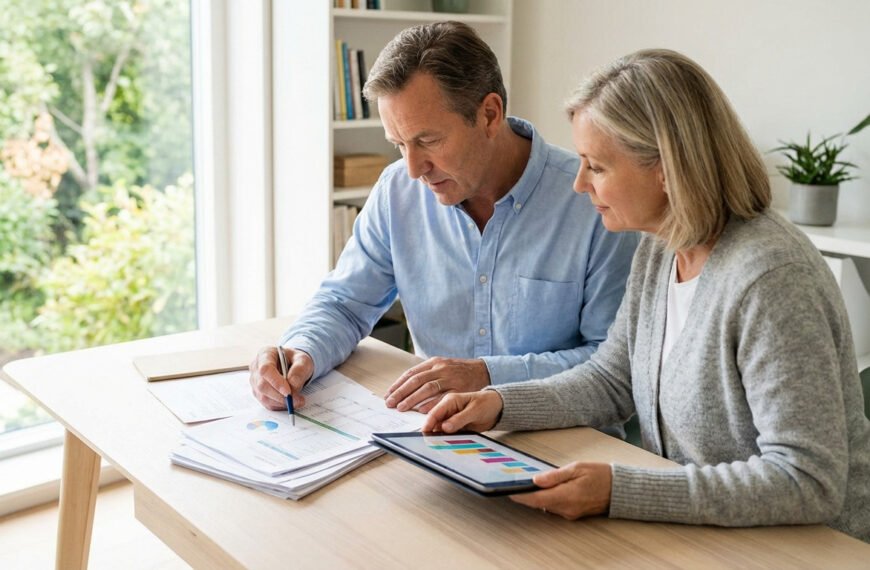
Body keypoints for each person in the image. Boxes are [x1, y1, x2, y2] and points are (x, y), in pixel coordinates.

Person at [423, 48, 870, 542]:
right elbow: (613, 378)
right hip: (716, 534)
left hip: (814, 548)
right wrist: (499, 405)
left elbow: (807, 480)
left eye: (596, 166)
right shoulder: (662, 246)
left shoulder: (771, 278)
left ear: (665, 167)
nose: (578, 183)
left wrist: (620, 491)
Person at [249, 22, 637, 415]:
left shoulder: (593, 201)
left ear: (489, 114)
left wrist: (487, 376)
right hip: (438, 438)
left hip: (568, 446)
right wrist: (301, 350)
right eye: (399, 145)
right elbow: (345, 304)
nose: (414, 168)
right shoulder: (398, 192)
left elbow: (612, 368)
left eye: (428, 141)